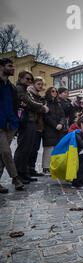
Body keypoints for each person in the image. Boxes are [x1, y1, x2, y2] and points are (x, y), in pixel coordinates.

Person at [14, 71, 49, 183]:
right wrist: (42, 107)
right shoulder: (20, 89)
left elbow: (31, 103)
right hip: (25, 121)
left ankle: (24, 173)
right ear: (20, 78)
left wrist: (34, 105)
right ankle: (17, 176)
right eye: (27, 79)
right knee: (22, 150)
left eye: (30, 79)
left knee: (28, 149)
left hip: (31, 121)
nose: (29, 81)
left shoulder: (25, 90)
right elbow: (30, 103)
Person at [0, 58, 25, 192]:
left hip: (11, 124)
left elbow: (14, 105)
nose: (12, 68)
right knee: (5, 151)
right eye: (9, 66)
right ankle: (15, 178)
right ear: (1, 67)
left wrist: (16, 120)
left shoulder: (11, 86)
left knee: (2, 155)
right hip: (0, 124)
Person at [42, 87, 66, 175]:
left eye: (56, 91)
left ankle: (54, 167)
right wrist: (55, 125)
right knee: (48, 148)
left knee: (57, 147)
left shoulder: (58, 104)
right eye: (53, 91)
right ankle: (46, 168)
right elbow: (46, 117)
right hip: (49, 128)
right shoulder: (45, 102)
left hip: (59, 129)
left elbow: (63, 116)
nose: (55, 92)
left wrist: (61, 124)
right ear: (48, 92)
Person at [27, 77, 46, 177]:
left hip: (39, 126)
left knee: (35, 149)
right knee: (30, 148)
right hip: (32, 124)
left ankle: (31, 169)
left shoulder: (38, 95)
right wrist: (43, 108)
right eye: (38, 84)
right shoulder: (30, 94)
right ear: (34, 84)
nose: (40, 86)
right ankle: (26, 170)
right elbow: (35, 108)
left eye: (41, 85)